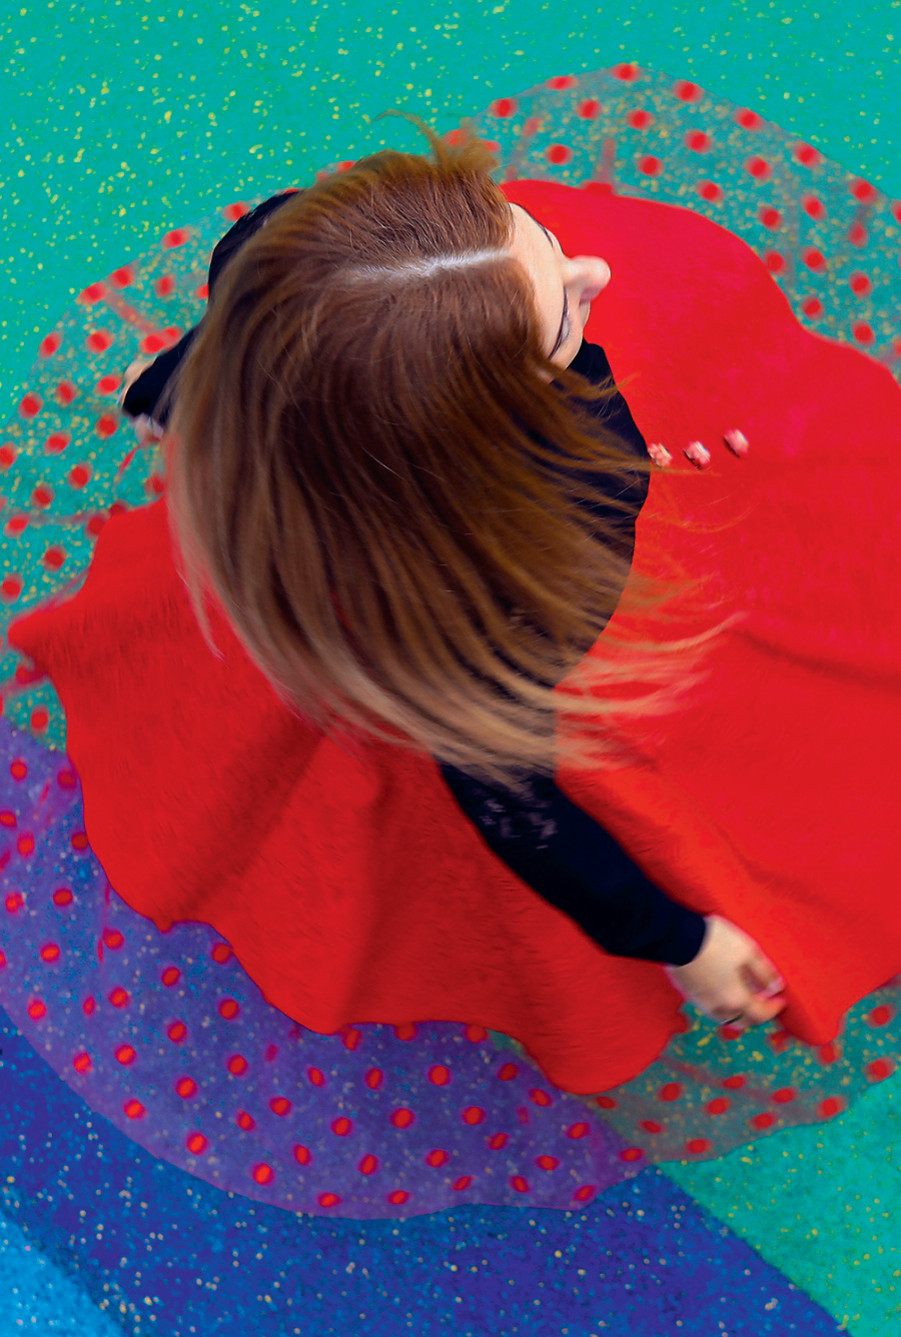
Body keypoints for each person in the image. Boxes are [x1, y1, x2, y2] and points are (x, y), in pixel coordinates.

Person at [1, 71, 899, 1218]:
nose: (595, 273)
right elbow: (517, 809)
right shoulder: (520, 589)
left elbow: (260, 283)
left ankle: (188, 387)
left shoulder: (278, 253)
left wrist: (203, 365)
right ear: (481, 441)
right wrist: (678, 936)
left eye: (533, 238)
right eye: (562, 314)